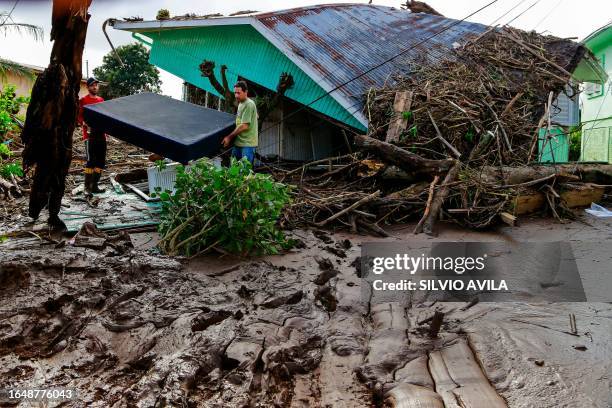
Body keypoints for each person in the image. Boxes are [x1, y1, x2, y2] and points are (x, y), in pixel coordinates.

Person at [78, 77, 106, 194]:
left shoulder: (101, 100)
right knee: (91, 161)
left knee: (100, 162)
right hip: (90, 136)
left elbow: (105, 116)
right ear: (88, 87)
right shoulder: (83, 100)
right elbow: (79, 116)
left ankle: (94, 186)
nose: (95, 87)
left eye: (96, 85)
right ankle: (86, 187)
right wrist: (83, 122)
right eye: (92, 85)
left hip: (101, 135)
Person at [222, 81, 258, 165]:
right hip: (238, 142)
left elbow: (244, 126)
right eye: (235, 93)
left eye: (239, 93)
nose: (236, 95)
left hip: (247, 144)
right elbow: (255, 116)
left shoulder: (249, 104)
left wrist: (229, 137)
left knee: (245, 172)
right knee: (233, 169)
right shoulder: (241, 103)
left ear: (246, 92)